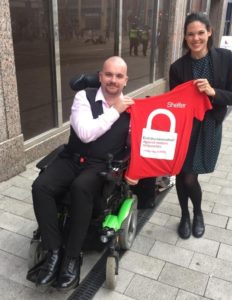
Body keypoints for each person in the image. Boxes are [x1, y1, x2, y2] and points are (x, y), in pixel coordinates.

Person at [30, 56, 134, 290]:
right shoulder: (83, 97)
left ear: (125, 80)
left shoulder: (131, 110)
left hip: (100, 165)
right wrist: (115, 111)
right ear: (100, 76)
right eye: (108, 74)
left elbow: (134, 144)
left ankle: (72, 257)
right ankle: (54, 250)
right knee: (41, 186)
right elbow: (86, 133)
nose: (113, 80)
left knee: (81, 188)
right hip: (72, 158)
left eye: (118, 76)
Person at [169, 12, 232, 239]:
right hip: (186, 128)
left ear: (209, 32)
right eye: (191, 34)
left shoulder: (225, 58)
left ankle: (197, 212)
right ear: (185, 37)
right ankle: (184, 215)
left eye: (200, 32)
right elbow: (173, 103)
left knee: (191, 176)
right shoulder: (178, 67)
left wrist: (212, 92)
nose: (196, 38)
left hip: (209, 126)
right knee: (183, 174)